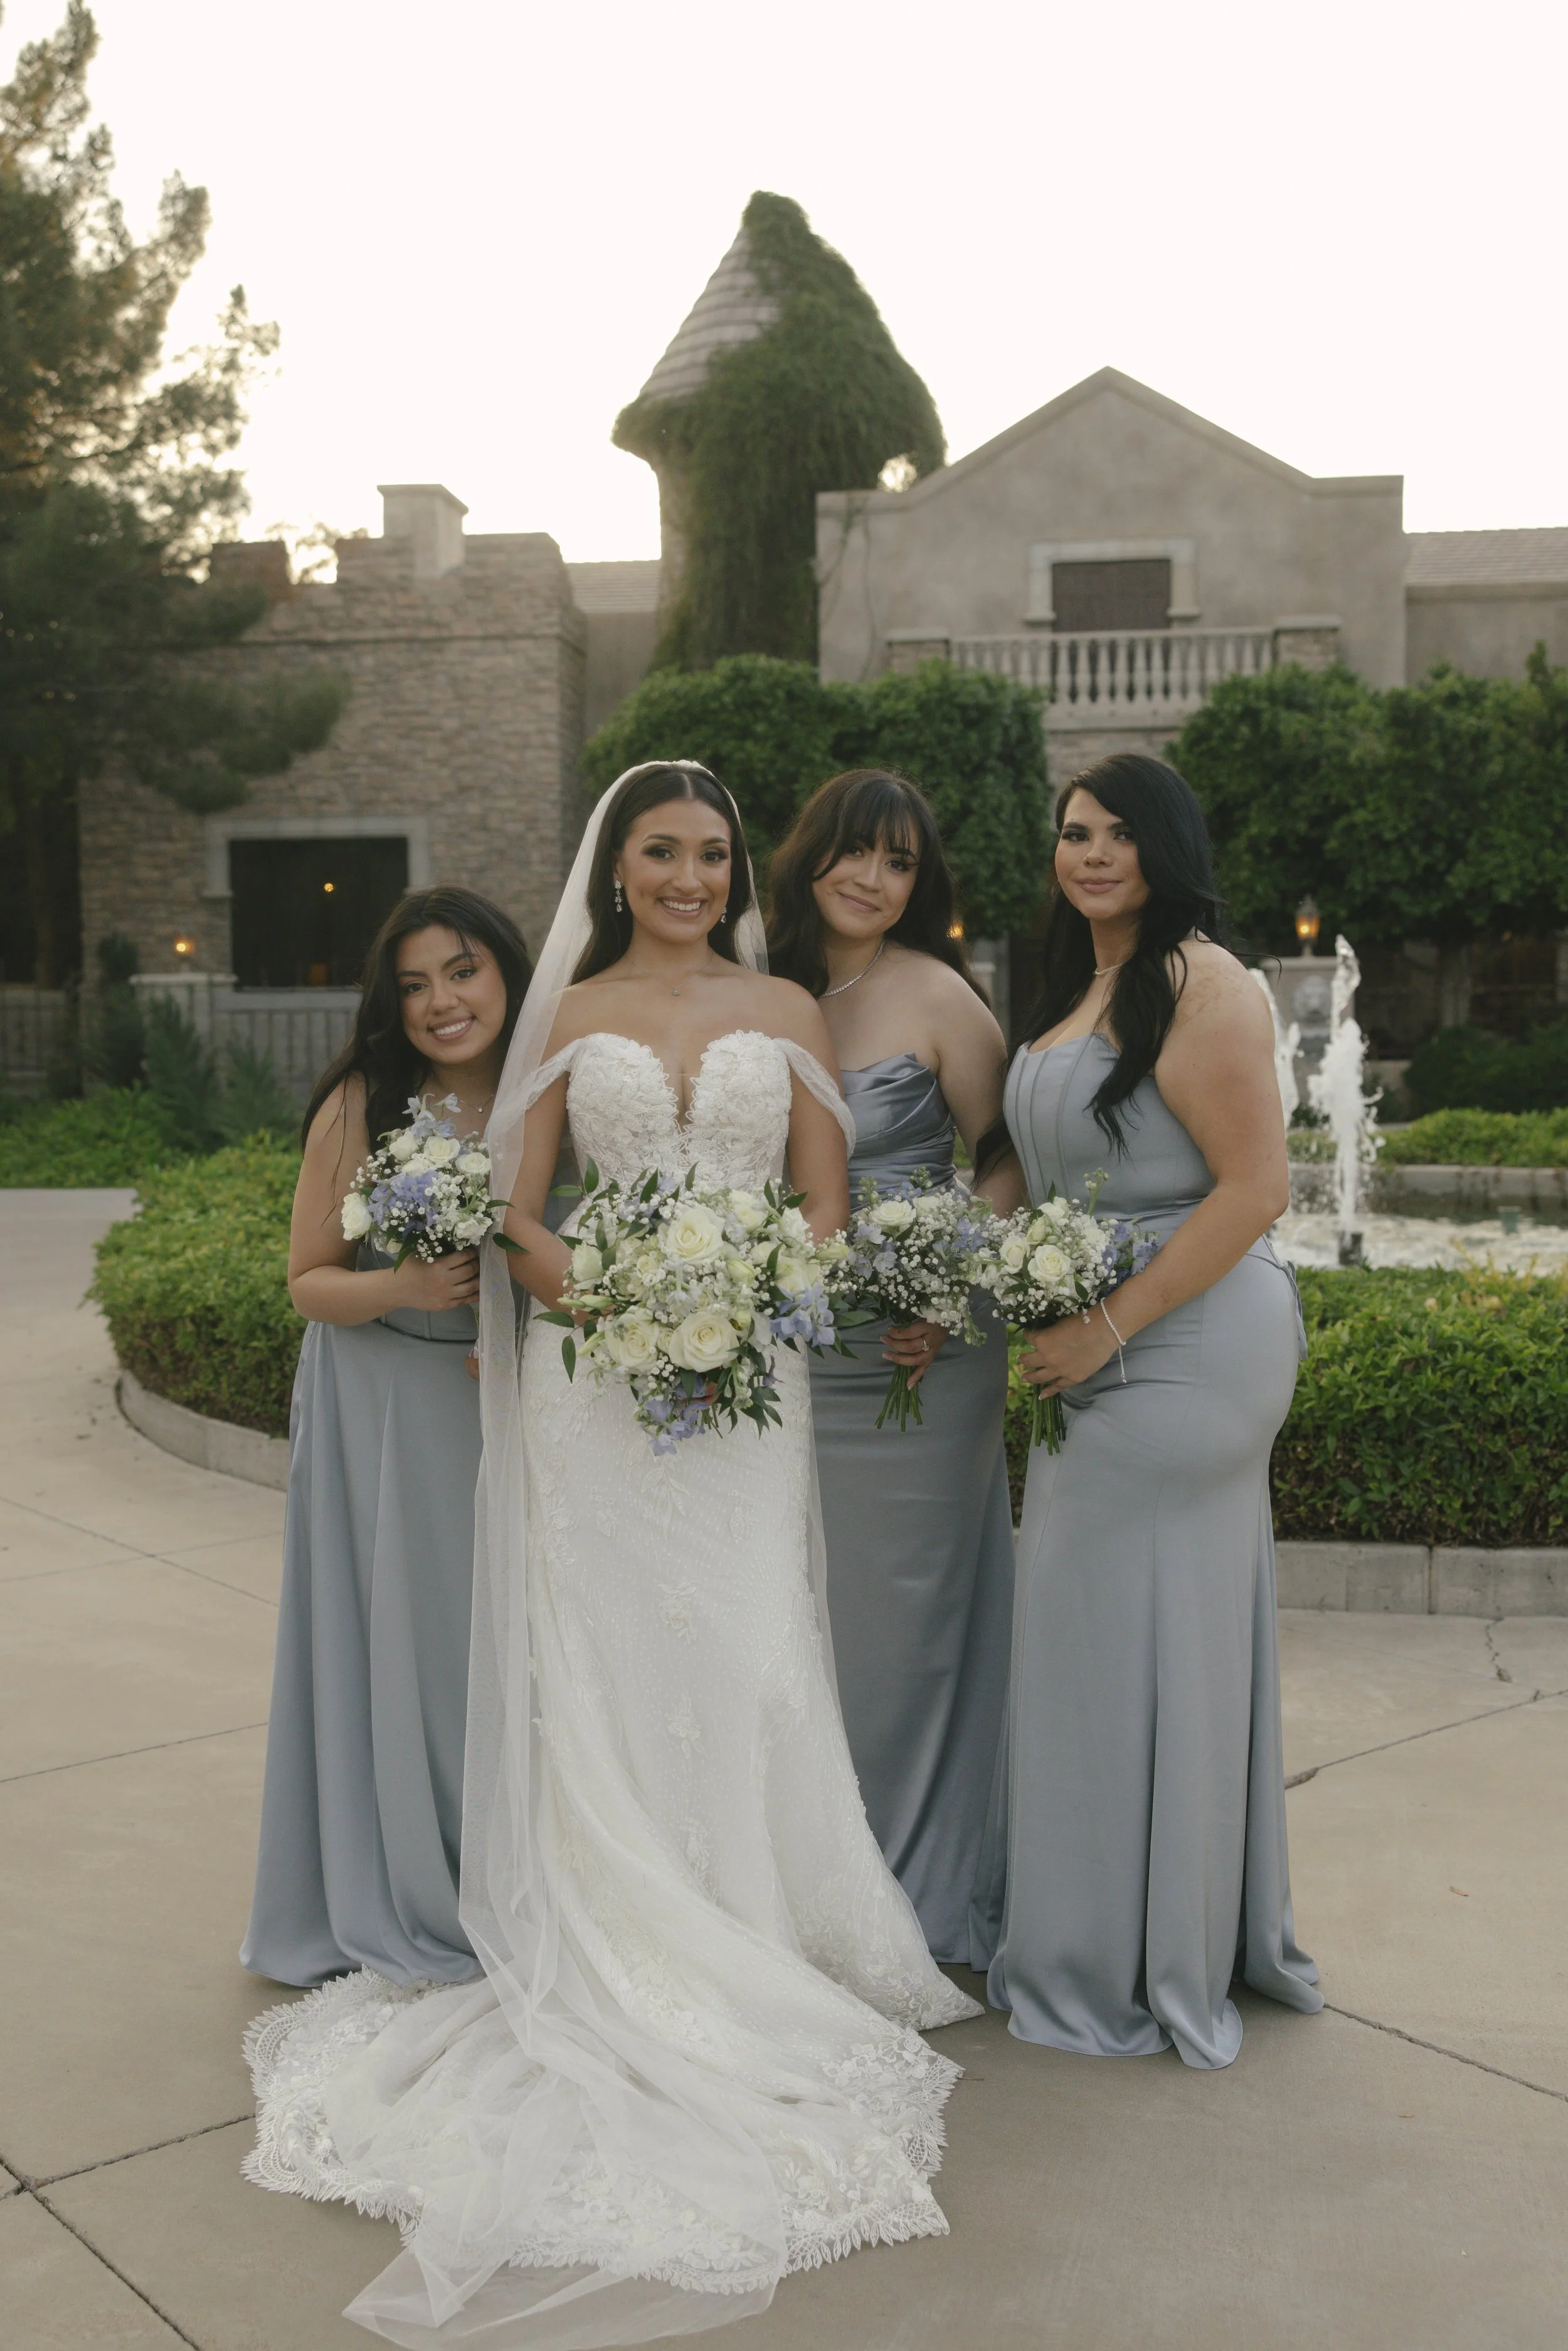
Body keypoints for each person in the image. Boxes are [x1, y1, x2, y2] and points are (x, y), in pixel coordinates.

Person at [243, 764, 978, 2350]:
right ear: (615, 863)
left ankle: (752, 1921)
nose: (690, 876)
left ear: (735, 870)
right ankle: (610, 1930)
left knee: (740, 1647)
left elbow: (825, 1210)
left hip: (747, 1385)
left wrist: (742, 1286)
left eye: (713, 853)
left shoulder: (788, 998)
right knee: (602, 1657)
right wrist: (623, 1296)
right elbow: (517, 1214)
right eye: (661, 850)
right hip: (597, 1386)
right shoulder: (559, 1011)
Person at [970, 753, 1322, 2070]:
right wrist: (917, 1273)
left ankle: (1111, 1960)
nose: (1092, 850)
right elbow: (1021, 1167)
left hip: (1189, 1344)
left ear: (1165, 845)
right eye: (1072, 829)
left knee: (1098, 1626)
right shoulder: (1073, 985)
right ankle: (1132, 1927)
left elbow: (1252, 1188)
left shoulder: (1199, 978)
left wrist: (1102, 1323)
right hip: (1094, 1339)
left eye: (1120, 830)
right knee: (1094, 1635)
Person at [241, 887, 532, 1990]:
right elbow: (308, 1281)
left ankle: (500, 1870)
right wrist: (404, 1282)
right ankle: (404, 1879)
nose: (440, 1002)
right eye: (413, 985)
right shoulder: (368, 1102)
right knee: (405, 1645)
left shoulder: (546, 1093)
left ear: (507, 971)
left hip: (495, 1399)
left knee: (491, 1646)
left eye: (461, 972)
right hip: (381, 1398)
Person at [766, 768, 1013, 1961]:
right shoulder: (761, 983)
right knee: (797, 1617)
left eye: (901, 862)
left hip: (920, 1352)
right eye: (857, 852)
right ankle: (810, 1876)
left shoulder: (936, 995)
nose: (873, 878)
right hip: (787, 1354)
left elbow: (1009, 1153)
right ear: (812, 855)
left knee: (899, 1626)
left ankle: (905, 1893)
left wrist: (952, 1286)